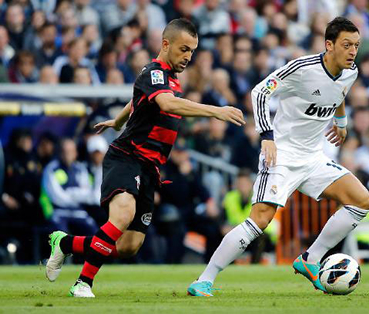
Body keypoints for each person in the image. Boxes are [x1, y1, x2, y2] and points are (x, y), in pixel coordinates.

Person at [45, 18, 245, 298]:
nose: (188, 56)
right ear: (166, 44)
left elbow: (136, 99)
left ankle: (65, 244)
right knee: (123, 214)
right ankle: (83, 283)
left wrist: (117, 121)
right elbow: (165, 102)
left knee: (128, 246)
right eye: (183, 49)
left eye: (192, 51)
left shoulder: (169, 79)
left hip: (150, 168)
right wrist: (216, 110)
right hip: (127, 157)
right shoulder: (154, 72)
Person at [188, 17, 369, 297]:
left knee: (361, 201)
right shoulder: (302, 68)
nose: (352, 51)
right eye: (346, 45)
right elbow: (259, 92)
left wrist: (342, 121)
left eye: (356, 46)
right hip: (282, 155)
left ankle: (310, 260)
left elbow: (340, 91)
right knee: (259, 221)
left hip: (313, 158)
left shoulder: (351, 71)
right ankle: (205, 279)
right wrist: (267, 136)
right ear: (329, 45)